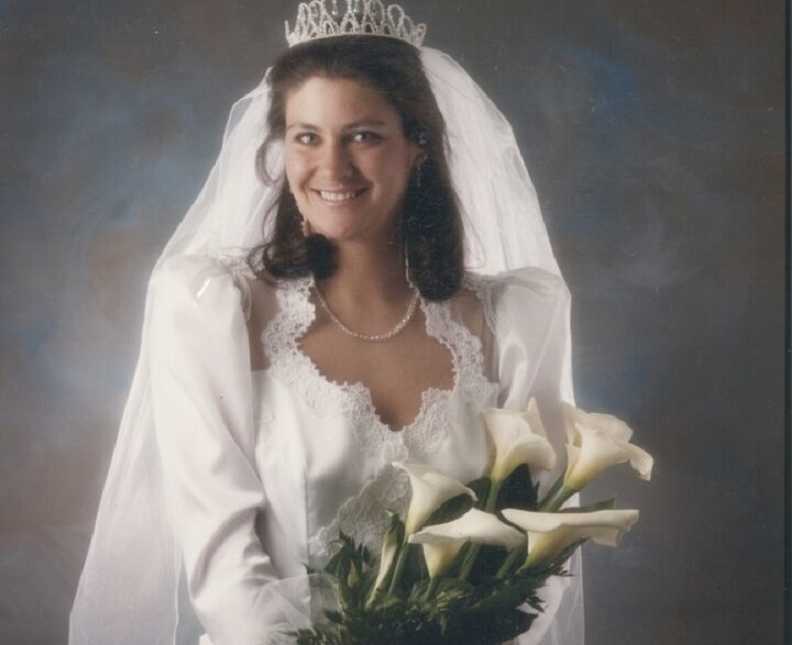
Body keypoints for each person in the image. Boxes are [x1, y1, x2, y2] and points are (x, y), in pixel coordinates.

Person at [69, 2, 584, 644]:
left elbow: (542, 551)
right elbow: (221, 563)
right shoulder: (208, 308)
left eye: (363, 135)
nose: (331, 168)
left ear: (418, 146)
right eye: (307, 136)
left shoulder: (516, 321)